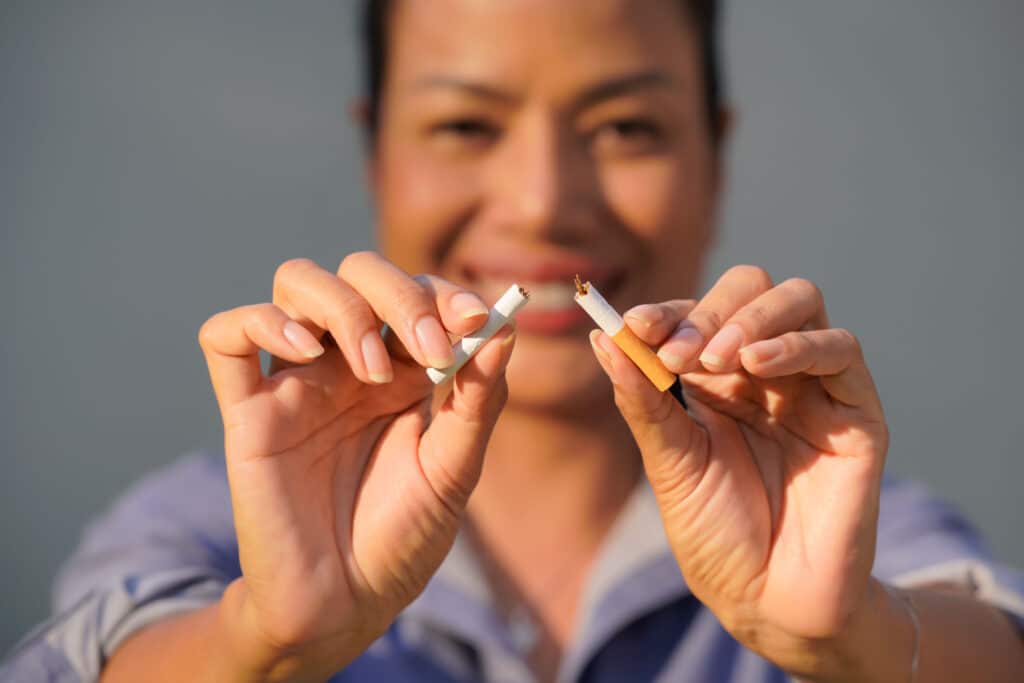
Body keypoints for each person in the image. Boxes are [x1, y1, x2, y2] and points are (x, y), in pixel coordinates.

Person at [4, 1, 1024, 681]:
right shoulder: (214, 523)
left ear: (714, 156)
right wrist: (257, 636)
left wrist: (855, 635)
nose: (543, 203)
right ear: (376, 154)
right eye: (464, 126)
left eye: (627, 127)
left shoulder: (834, 514)